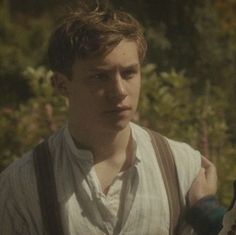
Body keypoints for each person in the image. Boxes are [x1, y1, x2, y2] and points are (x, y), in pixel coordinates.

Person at [0, 2, 214, 234]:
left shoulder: (183, 168)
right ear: (61, 84)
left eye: (129, 73)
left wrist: (206, 213)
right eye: (99, 76)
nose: (120, 91)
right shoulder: (21, 185)